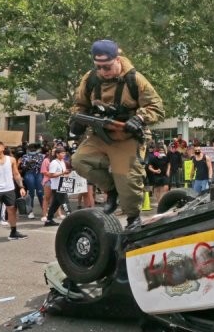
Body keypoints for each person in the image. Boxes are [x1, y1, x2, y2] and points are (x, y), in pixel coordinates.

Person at [70, 39, 164, 229]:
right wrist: (77, 120)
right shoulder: (90, 79)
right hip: (99, 134)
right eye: (99, 67)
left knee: (127, 179)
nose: (103, 71)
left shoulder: (135, 79)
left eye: (107, 66)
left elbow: (157, 107)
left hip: (126, 136)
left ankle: (133, 219)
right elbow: (80, 104)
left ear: (117, 59)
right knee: (79, 161)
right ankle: (111, 190)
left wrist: (139, 118)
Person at [0, 141, 28, 240]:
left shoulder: (11, 160)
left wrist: (21, 187)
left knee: (12, 210)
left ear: (3, 148)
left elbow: (16, 174)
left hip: (9, 189)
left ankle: (13, 233)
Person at [44, 147, 71, 227]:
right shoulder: (54, 163)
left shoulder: (62, 162)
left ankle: (49, 220)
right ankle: (70, 219)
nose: (64, 154)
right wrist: (63, 172)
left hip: (62, 185)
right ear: (57, 154)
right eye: (62, 153)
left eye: (64, 153)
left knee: (55, 204)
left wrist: (67, 174)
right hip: (57, 186)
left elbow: (63, 173)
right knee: (65, 203)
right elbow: (51, 175)